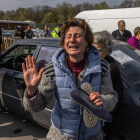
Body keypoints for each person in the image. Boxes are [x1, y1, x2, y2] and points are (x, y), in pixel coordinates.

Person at [22, 18, 118, 140]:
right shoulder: (52, 68)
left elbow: (112, 97)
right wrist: (32, 91)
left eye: (77, 36)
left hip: (93, 136)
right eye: (68, 36)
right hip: (61, 135)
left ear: (87, 42)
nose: (72, 40)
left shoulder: (101, 67)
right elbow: (36, 106)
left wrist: (103, 101)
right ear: (64, 42)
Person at [93, 31, 124, 140]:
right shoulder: (97, 62)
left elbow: (113, 99)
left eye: (99, 50)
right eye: (92, 49)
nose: (94, 52)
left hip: (104, 119)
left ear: (108, 51)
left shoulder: (109, 68)